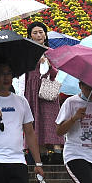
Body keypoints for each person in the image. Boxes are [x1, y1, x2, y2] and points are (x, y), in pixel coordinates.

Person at [19, 22, 61, 160]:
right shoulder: (27, 53)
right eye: (35, 33)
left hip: (48, 90)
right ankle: (41, 153)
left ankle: (56, 150)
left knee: (50, 118)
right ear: (30, 36)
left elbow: (55, 74)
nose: (39, 35)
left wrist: (48, 64)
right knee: (36, 119)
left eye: (41, 32)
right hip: (32, 90)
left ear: (45, 34)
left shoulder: (51, 52)